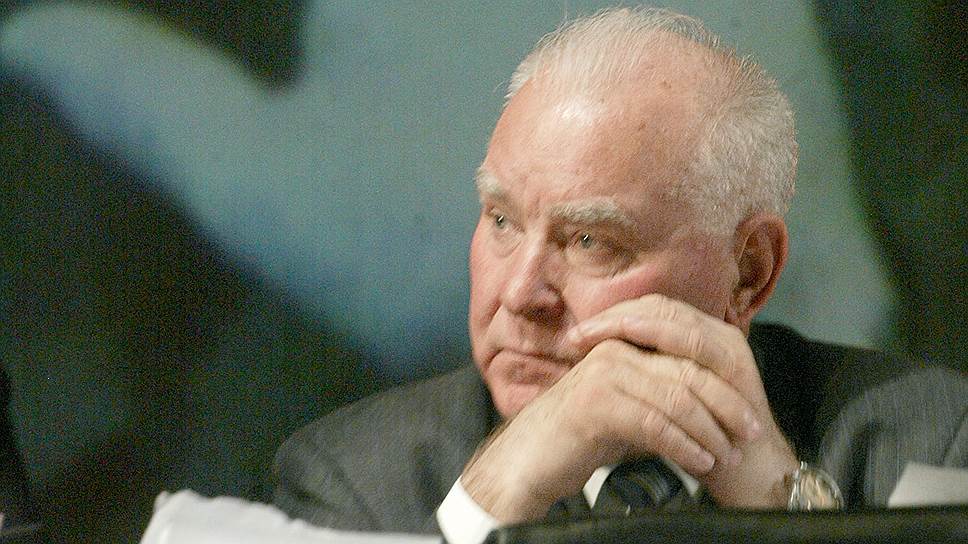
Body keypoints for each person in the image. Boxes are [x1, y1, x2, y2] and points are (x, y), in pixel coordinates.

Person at [272, 7, 968, 543]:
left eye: (589, 241)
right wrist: (488, 506)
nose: (519, 295)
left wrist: (779, 502)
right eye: (502, 221)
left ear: (748, 273)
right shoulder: (356, 477)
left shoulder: (932, 442)